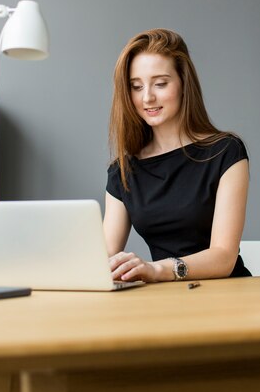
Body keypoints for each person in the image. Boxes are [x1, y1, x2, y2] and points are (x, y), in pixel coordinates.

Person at [103, 28, 251, 282]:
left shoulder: (226, 152)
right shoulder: (123, 171)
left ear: (184, 84)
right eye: (136, 87)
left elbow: (224, 257)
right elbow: (104, 257)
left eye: (160, 83)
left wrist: (157, 269)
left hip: (227, 295)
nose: (147, 97)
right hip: (166, 301)